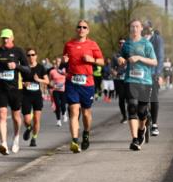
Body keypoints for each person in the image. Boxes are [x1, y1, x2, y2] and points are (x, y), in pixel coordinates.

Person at [63, 19, 105, 153]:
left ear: (88, 30)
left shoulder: (92, 44)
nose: (81, 29)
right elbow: (64, 60)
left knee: (86, 113)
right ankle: (74, 140)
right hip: (72, 81)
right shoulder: (69, 44)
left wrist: (92, 60)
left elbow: (102, 61)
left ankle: (86, 133)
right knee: (74, 110)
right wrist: (64, 61)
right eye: (79, 27)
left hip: (87, 83)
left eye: (84, 27)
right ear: (76, 29)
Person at [118, 20, 158, 151]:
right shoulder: (126, 45)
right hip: (131, 81)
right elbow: (122, 58)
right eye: (132, 27)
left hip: (145, 82)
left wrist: (139, 58)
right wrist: (121, 60)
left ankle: (142, 129)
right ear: (130, 29)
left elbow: (154, 62)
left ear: (141, 29)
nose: (134, 29)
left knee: (142, 112)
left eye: (137, 26)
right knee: (132, 107)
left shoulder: (147, 44)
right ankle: (135, 139)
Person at [0, 29, 30, 155]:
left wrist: (16, 66)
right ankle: (3, 144)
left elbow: (27, 69)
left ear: (12, 38)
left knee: (16, 117)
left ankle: (16, 137)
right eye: (3, 38)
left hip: (15, 89)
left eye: (7, 38)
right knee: (1, 115)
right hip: (1, 89)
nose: (5, 40)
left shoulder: (18, 51)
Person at [21, 47, 50, 147]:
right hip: (25, 95)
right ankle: (29, 128)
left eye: (33, 55)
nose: (31, 57)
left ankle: (34, 138)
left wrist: (38, 80)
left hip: (36, 95)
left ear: (36, 56)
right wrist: (23, 83)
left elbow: (47, 81)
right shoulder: (23, 67)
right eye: (28, 55)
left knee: (37, 119)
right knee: (26, 119)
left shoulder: (41, 68)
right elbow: (17, 80)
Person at [144, 22, 164, 136]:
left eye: (148, 27)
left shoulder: (157, 39)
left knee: (154, 97)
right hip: (140, 73)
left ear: (151, 28)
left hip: (153, 73)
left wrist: (158, 74)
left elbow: (160, 57)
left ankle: (154, 124)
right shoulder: (137, 38)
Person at [112, 39, 128, 122]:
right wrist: (114, 72)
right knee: (121, 98)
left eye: (123, 43)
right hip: (119, 79)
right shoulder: (115, 55)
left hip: (129, 80)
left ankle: (131, 113)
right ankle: (124, 116)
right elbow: (112, 67)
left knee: (130, 99)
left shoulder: (130, 53)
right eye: (120, 43)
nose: (122, 44)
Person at [49, 58, 67, 127]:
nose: (58, 63)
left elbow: (68, 78)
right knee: (57, 105)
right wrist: (52, 85)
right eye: (56, 62)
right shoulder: (52, 71)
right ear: (55, 63)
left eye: (59, 62)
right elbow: (50, 81)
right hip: (55, 90)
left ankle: (64, 114)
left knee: (63, 104)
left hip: (63, 90)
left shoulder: (64, 70)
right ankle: (58, 121)